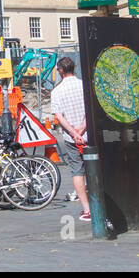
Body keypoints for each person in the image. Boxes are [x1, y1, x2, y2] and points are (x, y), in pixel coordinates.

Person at [51, 57, 91, 223]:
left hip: (71, 137)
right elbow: (90, 109)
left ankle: (87, 209)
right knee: (95, 168)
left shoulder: (57, 91)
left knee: (77, 171)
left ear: (60, 71)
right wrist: (83, 127)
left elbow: (59, 116)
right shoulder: (84, 86)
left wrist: (74, 133)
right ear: (73, 68)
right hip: (89, 134)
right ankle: (100, 204)